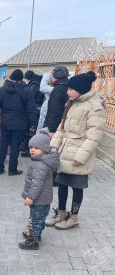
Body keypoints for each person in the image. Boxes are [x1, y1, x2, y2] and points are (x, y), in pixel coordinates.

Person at [46, 71, 106, 229]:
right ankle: (61, 213)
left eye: (71, 89)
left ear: (81, 89)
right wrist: (54, 145)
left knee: (77, 187)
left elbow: (94, 136)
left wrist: (80, 157)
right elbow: (62, 127)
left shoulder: (94, 107)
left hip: (79, 155)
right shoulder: (72, 102)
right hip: (65, 152)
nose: (67, 91)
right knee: (62, 184)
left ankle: (73, 217)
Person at [0, 69, 37, 176]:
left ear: (10, 77)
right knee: (15, 146)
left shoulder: (1, 90)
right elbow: (31, 108)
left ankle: (0, 168)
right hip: (20, 123)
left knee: (3, 144)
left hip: (5, 122)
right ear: (21, 79)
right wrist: (33, 123)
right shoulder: (26, 90)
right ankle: (12, 169)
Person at [19, 128, 60, 250]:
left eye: (36, 148)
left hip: (38, 199)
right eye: (31, 147)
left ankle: (33, 241)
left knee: (36, 219)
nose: (32, 150)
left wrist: (30, 197)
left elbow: (37, 184)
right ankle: (34, 234)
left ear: (45, 149)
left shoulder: (40, 165)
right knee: (37, 218)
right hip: (42, 199)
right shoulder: (41, 161)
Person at [43, 65, 69, 134]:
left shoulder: (58, 89)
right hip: (65, 126)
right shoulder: (69, 87)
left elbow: (54, 111)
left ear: (55, 76)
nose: (50, 78)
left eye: (51, 76)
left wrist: (50, 130)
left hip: (55, 129)